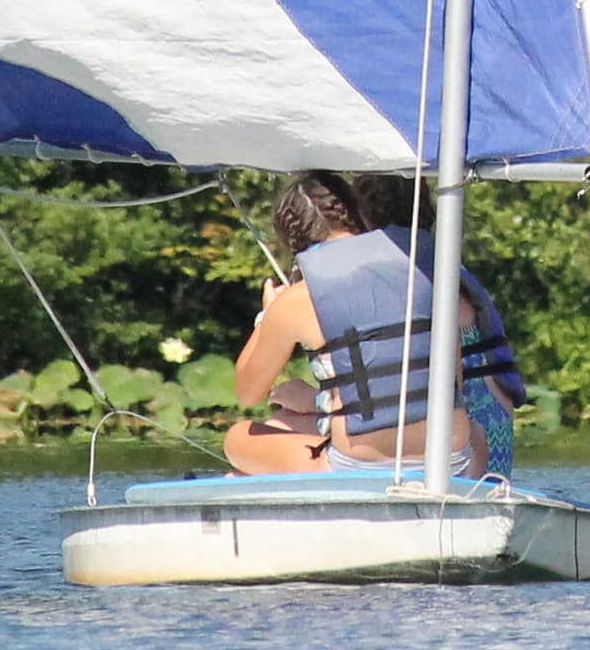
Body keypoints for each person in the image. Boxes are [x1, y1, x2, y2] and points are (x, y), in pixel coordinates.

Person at [223, 171, 531, 480]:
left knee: (238, 438)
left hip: (363, 468)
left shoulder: (299, 299)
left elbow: (247, 393)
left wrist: (268, 316)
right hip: (460, 462)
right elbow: (451, 385)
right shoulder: (428, 275)